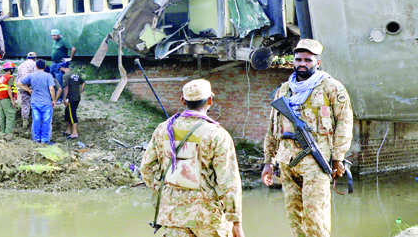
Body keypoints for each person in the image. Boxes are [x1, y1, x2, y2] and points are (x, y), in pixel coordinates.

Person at [261, 39, 353, 237]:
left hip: (315, 161)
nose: (302, 63)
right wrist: (268, 161)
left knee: (315, 216)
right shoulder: (284, 90)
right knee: (294, 217)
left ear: (317, 62)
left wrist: (338, 157)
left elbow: (345, 124)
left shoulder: (331, 88)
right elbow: (272, 127)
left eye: (308, 60)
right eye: (298, 59)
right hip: (287, 162)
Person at [140, 79, 244, 237]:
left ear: (183, 100)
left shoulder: (163, 129)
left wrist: (166, 191)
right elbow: (229, 182)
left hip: (173, 215)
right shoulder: (217, 134)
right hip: (208, 218)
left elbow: (146, 168)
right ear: (210, 100)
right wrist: (236, 222)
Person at [17, 59, 56, 144]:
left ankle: (36, 139)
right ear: (45, 66)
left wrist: (28, 90)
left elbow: (19, 84)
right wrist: (54, 99)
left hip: (35, 102)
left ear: (36, 66)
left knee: (36, 120)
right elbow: (51, 89)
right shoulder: (48, 76)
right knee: (46, 121)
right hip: (46, 102)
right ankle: (45, 140)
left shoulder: (31, 76)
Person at [60, 62, 85, 139]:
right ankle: (68, 130)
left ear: (62, 68)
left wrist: (64, 98)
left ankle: (74, 133)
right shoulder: (75, 74)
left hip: (71, 98)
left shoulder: (65, 76)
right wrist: (80, 91)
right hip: (77, 97)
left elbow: (66, 88)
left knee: (72, 114)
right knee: (67, 113)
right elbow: (83, 82)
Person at [16, 52, 37, 127]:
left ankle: (25, 121)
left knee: (25, 104)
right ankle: (35, 122)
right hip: (32, 87)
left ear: (27, 58)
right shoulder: (35, 64)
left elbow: (18, 77)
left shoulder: (21, 65)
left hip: (22, 86)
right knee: (36, 104)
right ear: (35, 58)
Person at [0, 62, 17, 135]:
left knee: (2, 117)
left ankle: (3, 132)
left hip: (1, 99)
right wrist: (12, 100)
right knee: (10, 116)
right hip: (7, 99)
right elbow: (9, 88)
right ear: (11, 69)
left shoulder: (1, 78)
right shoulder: (10, 77)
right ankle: (8, 134)